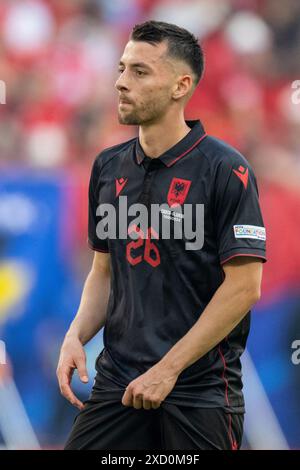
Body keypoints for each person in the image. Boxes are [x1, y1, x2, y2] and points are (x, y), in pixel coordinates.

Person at [57, 20, 267, 450]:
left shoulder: (227, 170)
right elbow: (104, 269)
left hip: (200, 391)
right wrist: (75, 335)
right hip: (119, 381)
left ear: (180, 86)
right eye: (121, 69)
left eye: (139, 72)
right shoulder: (108, 167)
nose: (120, 82)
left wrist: (168, 369)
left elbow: (244, 287)